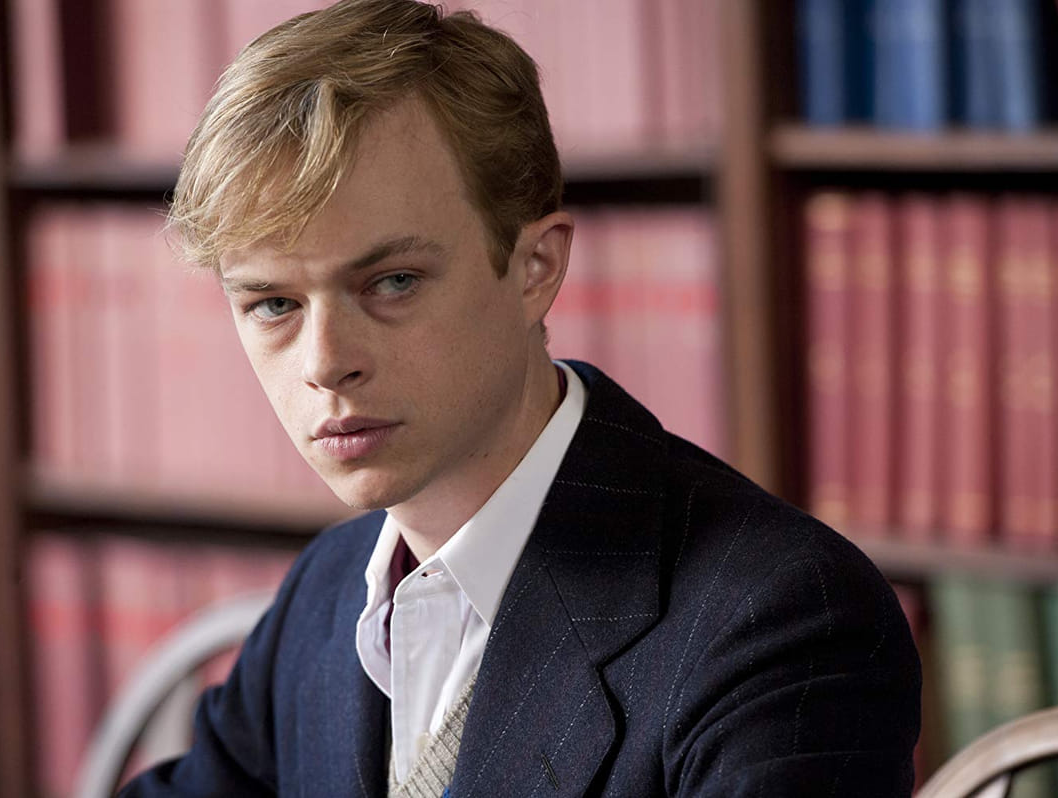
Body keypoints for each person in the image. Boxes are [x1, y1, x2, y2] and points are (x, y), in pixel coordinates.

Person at [123, 1, 920, 795]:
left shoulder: (782, 622)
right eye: (273, 304)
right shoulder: (327, 589)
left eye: (393, 282)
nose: (325, 364)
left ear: (536, 268)